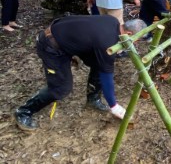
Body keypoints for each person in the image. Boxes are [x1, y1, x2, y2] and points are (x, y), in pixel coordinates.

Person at [14, 15, 147, 131]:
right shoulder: (107, 43)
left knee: (98, 63)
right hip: (50, 45)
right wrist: (114, 105)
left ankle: (93, 98)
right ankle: (24, 112)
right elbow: (107, 78)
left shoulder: (112, 21)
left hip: (63, 37)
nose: (136, 43)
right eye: (137, 40)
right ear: (129, 34)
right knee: (61, 88)